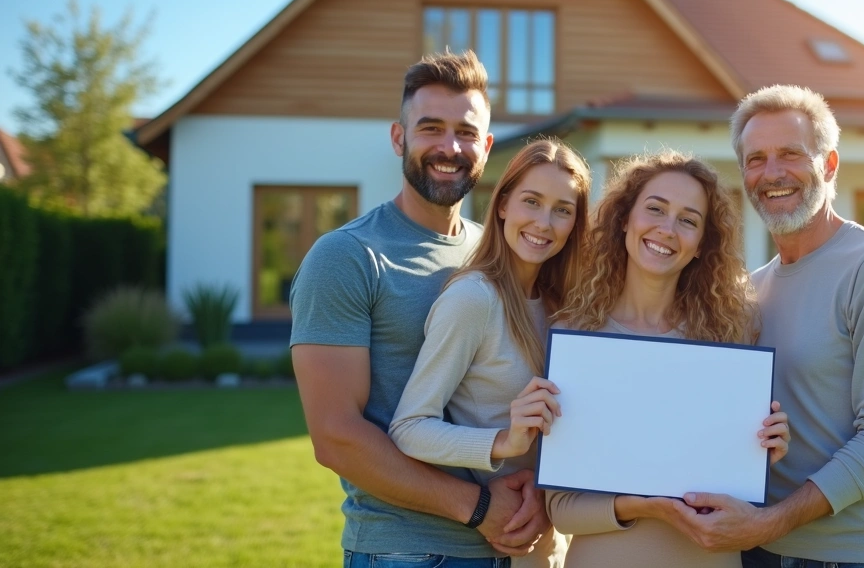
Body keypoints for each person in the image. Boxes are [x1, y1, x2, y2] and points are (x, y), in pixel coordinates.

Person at [290, 50, 549, 568]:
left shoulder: (496, 252)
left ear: (487, 145)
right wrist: (477, 509)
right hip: (407, 551)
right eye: (430, 128)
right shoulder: (347, 256)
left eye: (466, 132)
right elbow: (337, 437)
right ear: (398, 137)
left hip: (513, 549)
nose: (449, 147)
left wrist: (539, 495)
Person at [661, 85, 864, 568]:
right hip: (756, 549)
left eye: (791, 154)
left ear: (829, 165)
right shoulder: (751, 289)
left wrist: (773, 521)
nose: (773, 172)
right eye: (756, 159)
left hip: (855, 555)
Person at [544, 150, 791, 568]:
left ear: (700, 246)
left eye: (688, 220)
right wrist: (646, 506)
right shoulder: (576, 336)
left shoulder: (731, 337)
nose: (667, 229)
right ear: (625, 219)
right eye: (655, 209)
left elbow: (739, 481)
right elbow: (560, 508)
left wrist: (766, 450)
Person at [388, 138, 593, 568]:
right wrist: (504, 440)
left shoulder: (565, 307)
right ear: (502, 205)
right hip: (486, 551)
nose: (544, 222)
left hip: (547, 541)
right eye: (531, 201)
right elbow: (409, 427)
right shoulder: (474, 299)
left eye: (562, 209)